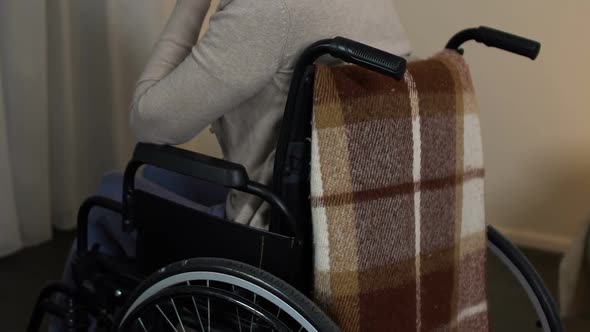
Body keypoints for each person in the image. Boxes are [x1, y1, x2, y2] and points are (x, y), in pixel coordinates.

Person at [53, 0, 411, 328]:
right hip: (352, 216)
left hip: (274, 235)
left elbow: (148, 121)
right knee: (160, 173)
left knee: (111, 194)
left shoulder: (265, 11)